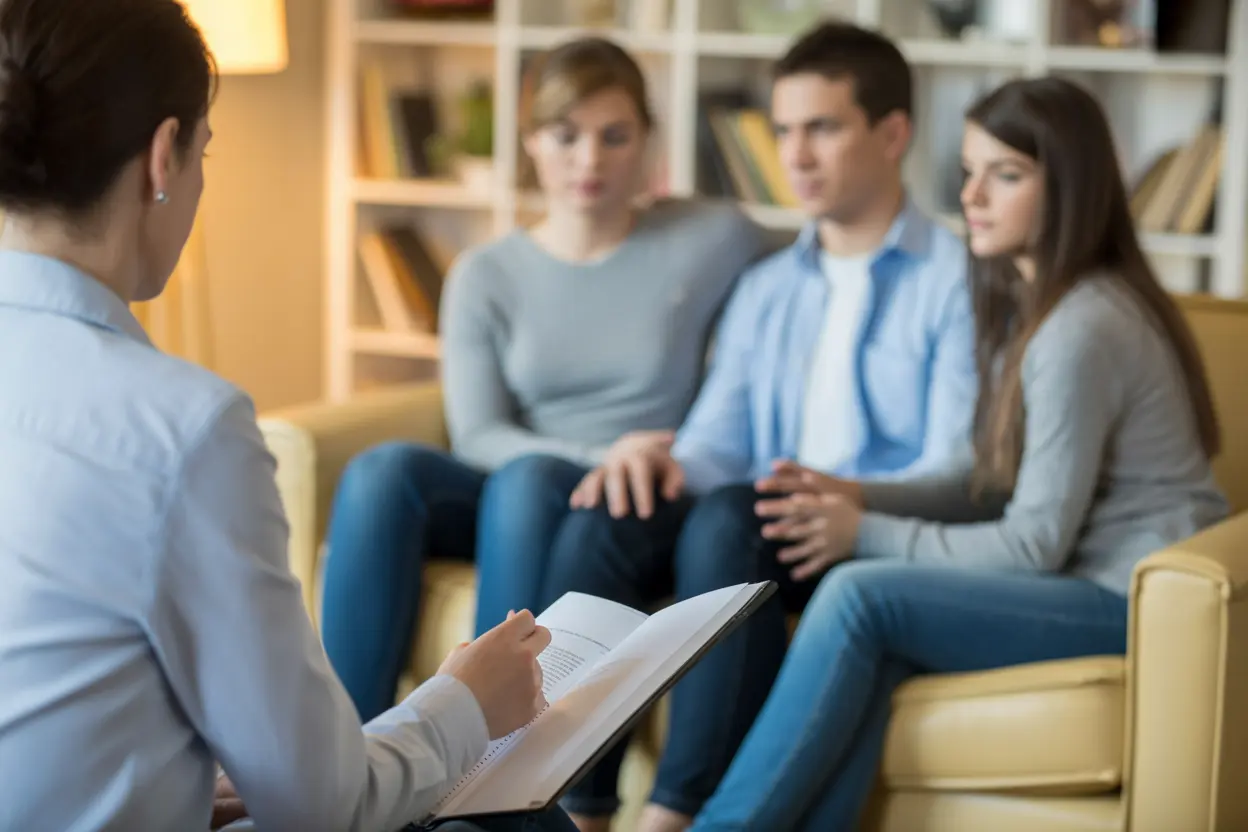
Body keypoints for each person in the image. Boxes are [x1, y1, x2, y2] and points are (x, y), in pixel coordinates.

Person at [0, 2, 575, 831]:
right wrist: (465, 701)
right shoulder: (182, 430)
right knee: (518, 817)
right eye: (204, 152)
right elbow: (326, 807)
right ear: (164, 156)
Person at [686, 74, 1231, 831]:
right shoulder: (1036, 307)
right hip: (1092, 576)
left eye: (1005, 176)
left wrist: (865, 534)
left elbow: (1034, 544)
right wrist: (855, 493)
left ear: (1069, 188)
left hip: (1127, 596)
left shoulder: (1081, 329)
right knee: (883, 643)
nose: (972, 196)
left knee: (860, 596)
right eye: (969, 172)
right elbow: (988, 484)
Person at [525, 22, 979, 832]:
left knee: (735, 512)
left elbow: (959, 466)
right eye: (784, 131)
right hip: (758, 514)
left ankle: (674, 813)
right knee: (607, 512)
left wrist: (848, 501)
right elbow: (716, 443)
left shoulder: (957, 282)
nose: (795, 154)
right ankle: (575, 813)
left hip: (858, 536)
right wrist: (650, 459)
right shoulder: (767, 285)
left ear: (893, 133)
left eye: (823, 128)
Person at [319, 36, 767, 723]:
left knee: (527, 482)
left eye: (615, 137)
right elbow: (478, 432)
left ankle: (489, 750)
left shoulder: (711, 237)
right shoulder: (486, 273)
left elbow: (812, 286)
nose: (589, 160)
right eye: (566, 136)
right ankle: (345, 761)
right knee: (385, 471)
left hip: (629, 510)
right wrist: (597, 458)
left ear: (647, 141)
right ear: (530, 140)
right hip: (525, 483)